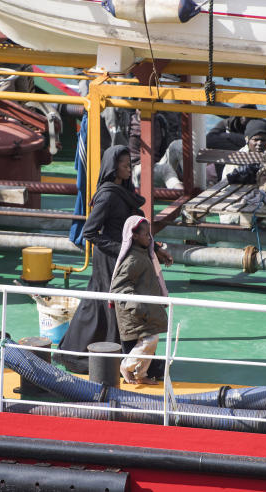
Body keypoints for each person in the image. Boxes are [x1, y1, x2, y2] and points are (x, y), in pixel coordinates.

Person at [57, 146, 172, 374]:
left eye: (130, 164)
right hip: (110, 259)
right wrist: (122, 249)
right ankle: (99, 355)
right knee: (111, 305)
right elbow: (90, 232)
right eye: (124, 164)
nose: (129, 168)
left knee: (110, 305)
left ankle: (122, 355)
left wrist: (155, 248)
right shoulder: (108, 195)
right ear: (113, 167)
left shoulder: (125, 192)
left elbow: (135, 228)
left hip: (125, 258)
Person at [110, 216, 168, 385]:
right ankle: (126, 366)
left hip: (143, 311)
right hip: (135, 313)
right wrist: (139, 307)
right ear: (134, 236)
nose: (150, 238)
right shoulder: (134, 259)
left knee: (151, 341)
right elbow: (119, 287)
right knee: (150, 340)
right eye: (147, 235)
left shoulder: (142, 255)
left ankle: (140, 374)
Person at [221, 119, 266, 184]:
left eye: (263, 140)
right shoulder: (237, 157)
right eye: (255, 140)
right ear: (247, 139)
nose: (259, 143)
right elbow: (226, 182)